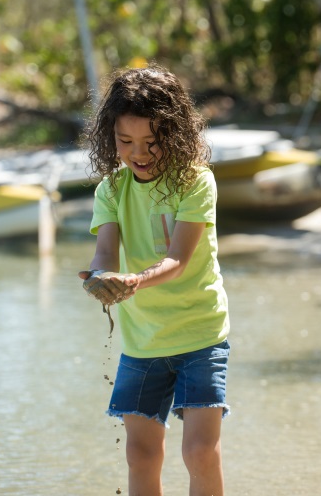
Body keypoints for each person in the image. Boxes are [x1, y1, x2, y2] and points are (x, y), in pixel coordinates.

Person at [78, 65, 230, 496]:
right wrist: (100, 278)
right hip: (143, 342)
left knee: (200, 452)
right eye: (125, 142)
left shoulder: (196, 182)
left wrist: (135, 281)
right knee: (141, 454)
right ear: (110, 138)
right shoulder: (111, 189)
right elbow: (105, 253)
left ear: (177, 133)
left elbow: (178, 261)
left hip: (200, 335)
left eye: (151, 141)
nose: (138, 153)